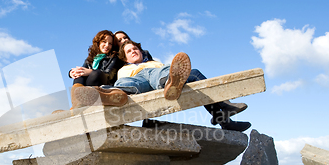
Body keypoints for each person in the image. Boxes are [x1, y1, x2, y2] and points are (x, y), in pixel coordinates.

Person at [106, 40, 251, 132]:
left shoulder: (153, 63)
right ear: (125, 58)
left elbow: (161, 70)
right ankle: (106, 94)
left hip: (157, 77)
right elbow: (126, 80)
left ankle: (171, 83)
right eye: (129, 51)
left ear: (141, 51)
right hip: (138, 82)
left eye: (135, 48)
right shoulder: (124, 69)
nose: (133, 51)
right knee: (127, 84)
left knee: (193, 73)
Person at [68, 30, 128, 108]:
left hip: (104, 84)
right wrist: (71, 72)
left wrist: (90, 71)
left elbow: (109, 75)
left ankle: (85, 99)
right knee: (79, 74)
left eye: (110, 44)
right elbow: (82, 70)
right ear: (98, 42)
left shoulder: (114, 57)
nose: (107, 45)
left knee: (96, 73)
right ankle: (77, 103)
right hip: (87, 87)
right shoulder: (90, 59)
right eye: (104, 42)